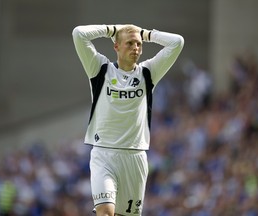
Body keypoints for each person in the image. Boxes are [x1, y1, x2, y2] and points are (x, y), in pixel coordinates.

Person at [72, 24, 184, 216]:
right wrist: (111, 30)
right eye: (130, 43)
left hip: (135, 157)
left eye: (139, 44)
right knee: (106, 212)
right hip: (104, 154)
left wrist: (145, 34)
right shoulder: (100, 69)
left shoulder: (148, 73)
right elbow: (79, 34)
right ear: (116, 46)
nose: (136, 48)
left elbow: (177, 43)